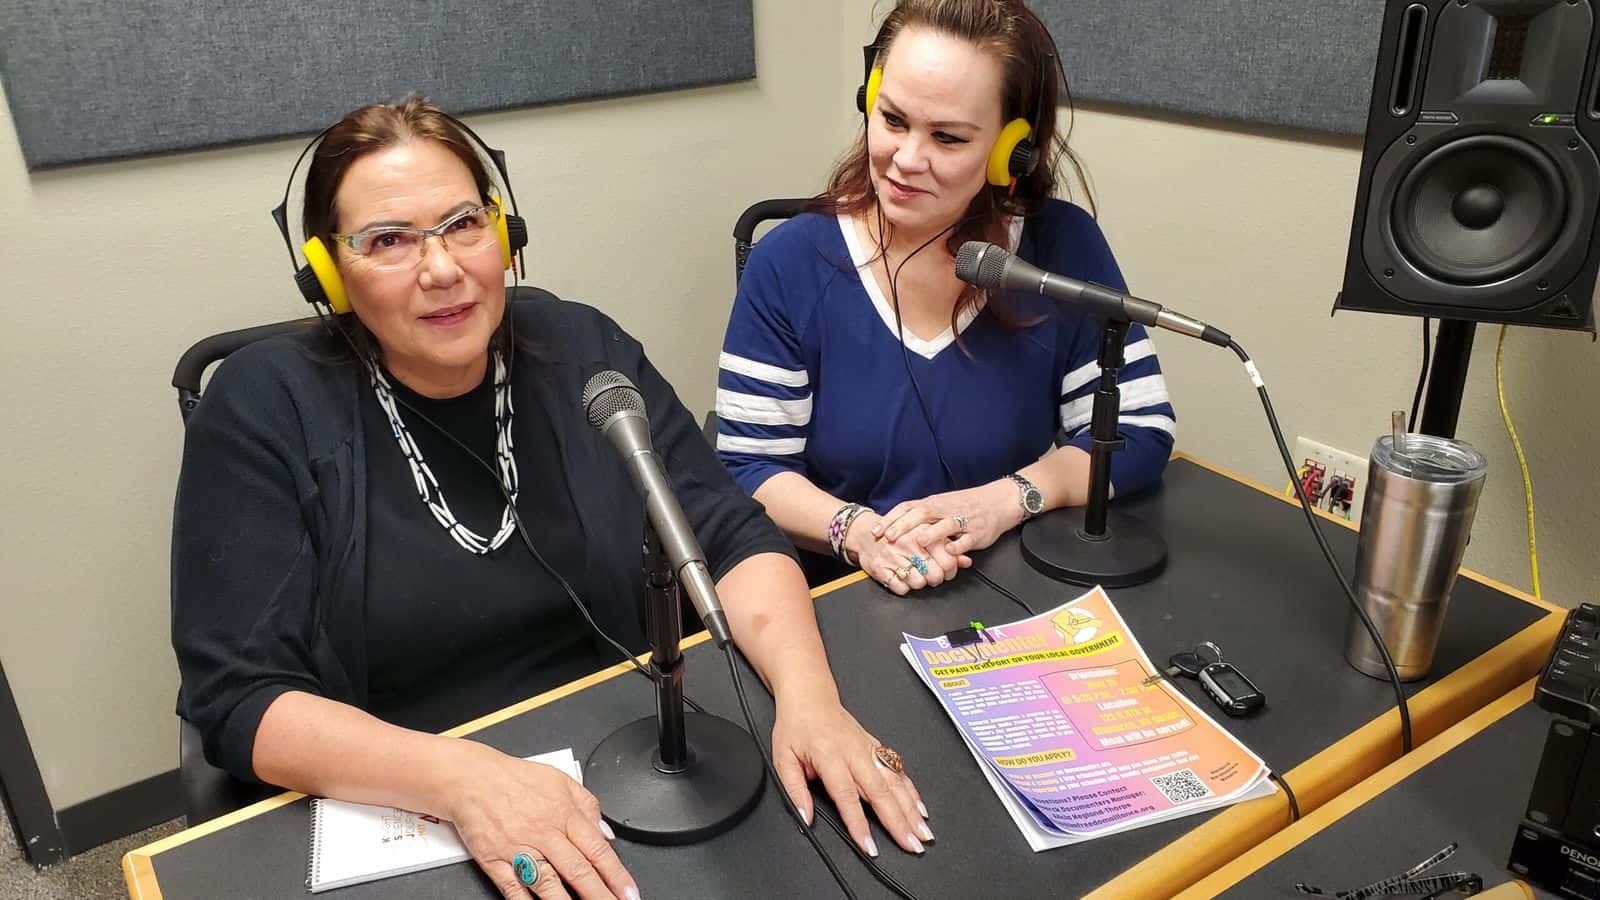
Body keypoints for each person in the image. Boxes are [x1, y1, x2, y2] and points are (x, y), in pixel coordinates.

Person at [171, 97, 932, 900]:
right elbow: (238, 697)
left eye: (463, 223)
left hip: (627, 754)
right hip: (410, 795)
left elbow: (731, 535)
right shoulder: (264, 407)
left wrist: (811, 701)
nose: (441, 268)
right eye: (388, 241)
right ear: (329, 274)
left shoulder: (582, 349)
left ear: (504, 234)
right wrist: (461, 782)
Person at [716, 0, 1176, 593]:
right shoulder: (789, 264)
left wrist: (1004, 501)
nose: (906, 160)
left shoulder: (1060, 248)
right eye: (892, 120)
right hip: (842, 595)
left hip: (1015, 580)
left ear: (1012, 150)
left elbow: (1137, 431)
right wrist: (861, 533)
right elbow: (752, 465)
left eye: (948, 138)